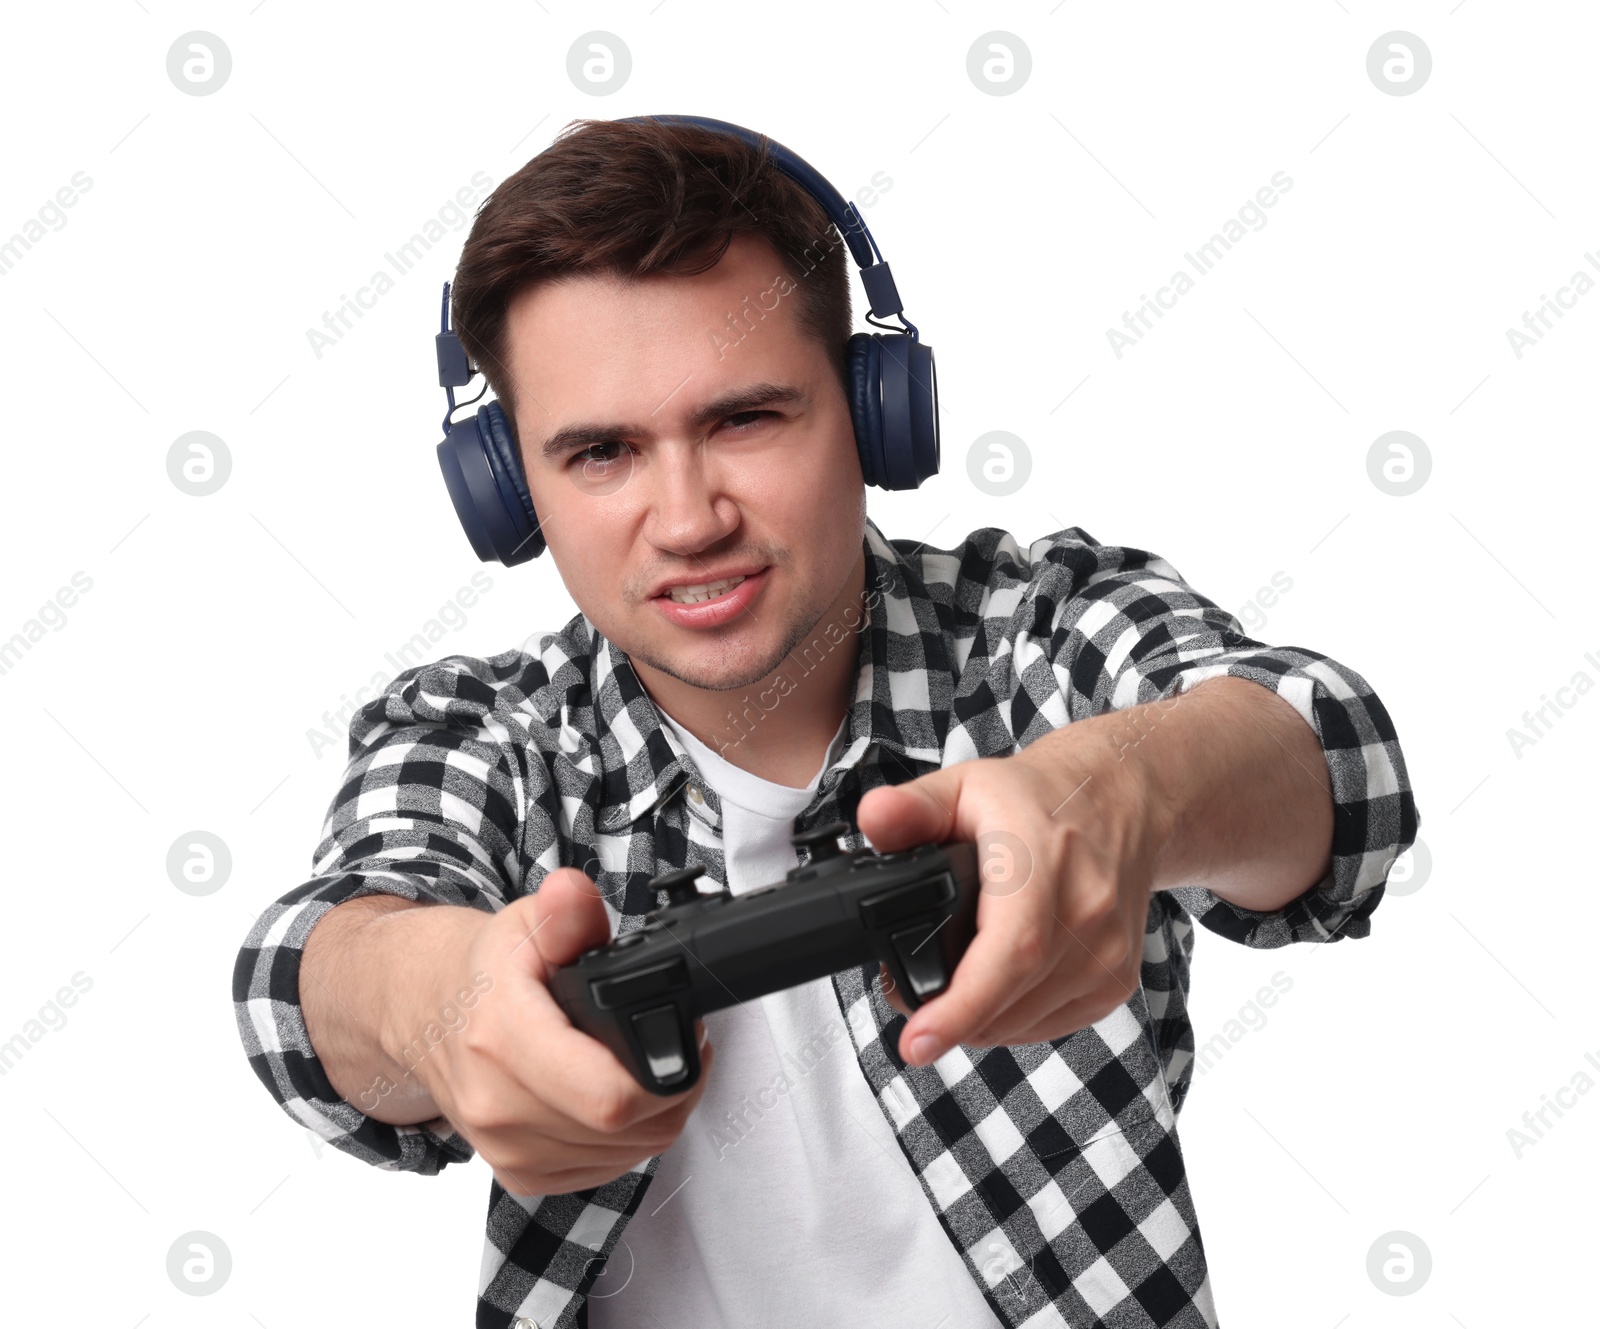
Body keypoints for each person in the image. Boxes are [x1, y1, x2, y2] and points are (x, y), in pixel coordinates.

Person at [233, 116, 1419, 1329]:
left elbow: (1333, 756)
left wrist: (1126, 798)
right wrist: (440, 996)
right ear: (510, 493)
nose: (687, 519)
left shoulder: (1042, 630)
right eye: (600, 453)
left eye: (743, 419)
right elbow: (311, 971)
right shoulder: (484, 734)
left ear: (871, 412)